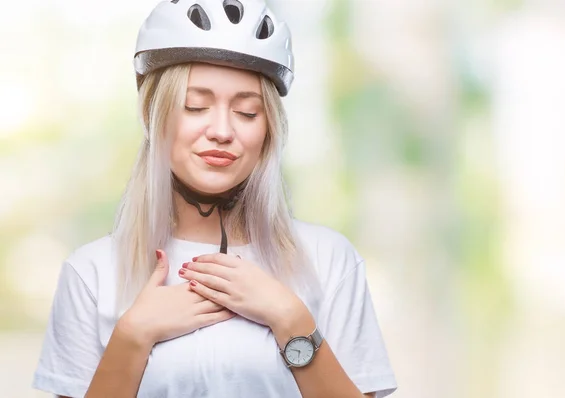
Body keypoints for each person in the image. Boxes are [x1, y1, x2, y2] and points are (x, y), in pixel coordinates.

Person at [31, 0, 397, 397]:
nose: (222, 130)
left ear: (269, 130)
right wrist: (134, 336)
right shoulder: (93, 272)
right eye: (196, 106)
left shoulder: (328, 260)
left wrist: (290, 319)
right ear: (154, 114)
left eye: (247, 112)